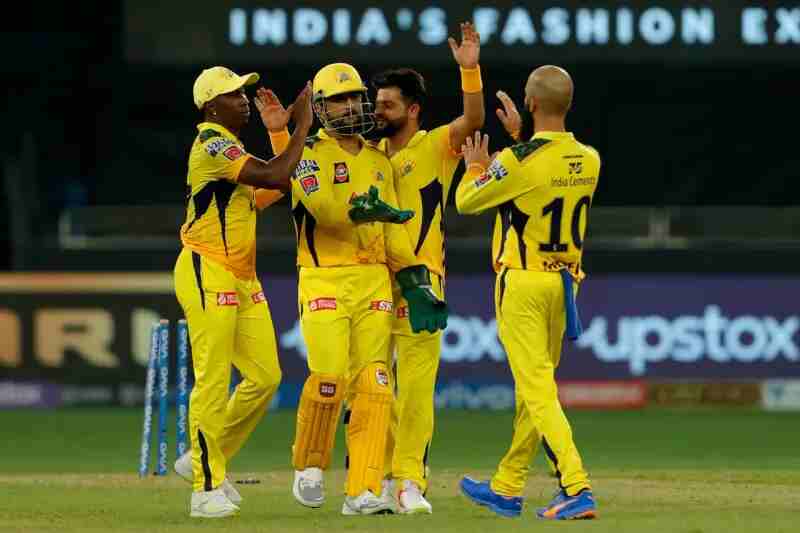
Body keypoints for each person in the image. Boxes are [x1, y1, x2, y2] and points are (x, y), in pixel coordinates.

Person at [264, 62, 448, 515]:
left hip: (374, 282)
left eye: (354, 98)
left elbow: (393, 233)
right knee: (330, 378)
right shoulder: (306, 154)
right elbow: (326, 211)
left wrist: (415, 281)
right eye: (338, 100)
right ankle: (309, 464)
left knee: (375, 386)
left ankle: (362, 490)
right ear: (320, 108)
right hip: (324, 276)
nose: (350, 107)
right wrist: (364, 209)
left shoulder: (378, 160)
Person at [455, 65, 599, 520]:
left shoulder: (518, 161)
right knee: (532, 391)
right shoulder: (590, 159)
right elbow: (543, 173)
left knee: (537, 391)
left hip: (522, 283)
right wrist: (519, 140)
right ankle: (507, 486)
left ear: (531, 103)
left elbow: (467, 200)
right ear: (568, 104)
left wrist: (477, 166)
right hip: (564, 285)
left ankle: (576, 485)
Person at [172, 66, 313, 518]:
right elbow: (274, 175)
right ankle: (204, 488)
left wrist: (278, 133)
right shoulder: (212, 142)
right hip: (207, 267)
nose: (244, 101)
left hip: (241, 276)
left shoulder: (232, 151)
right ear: (212, 106)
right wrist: (301, 126)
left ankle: (203, 458)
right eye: (234, 95)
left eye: (244, 92)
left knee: (265, 377)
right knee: (213, 381)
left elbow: (278, 184)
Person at [369, 21, 485, 514]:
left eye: (387, 105)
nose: (378, 111)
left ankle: (410, 482)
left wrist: (470, 70)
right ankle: (378, 477)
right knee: (372, 387)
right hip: (370, 282)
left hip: (422, 283)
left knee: (416, 391)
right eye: (376, 104)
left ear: (412, 109)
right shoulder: (366, 153)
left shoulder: (436, 145)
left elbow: (473, 119)